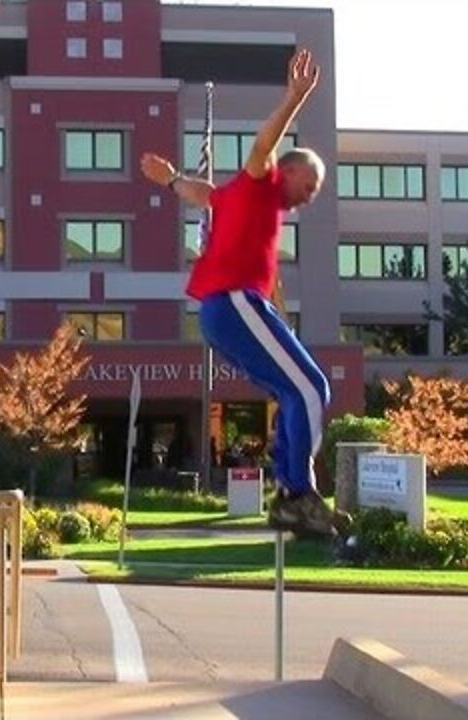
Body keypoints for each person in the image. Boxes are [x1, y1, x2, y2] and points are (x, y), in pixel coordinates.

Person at [140, 48, 348, 538]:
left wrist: (170, 180)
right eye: (311, 183)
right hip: (234, 301)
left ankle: (291, 493)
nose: (311, 194)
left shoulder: (234, 197)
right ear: (289, 171)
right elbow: (262, 145)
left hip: (223, 312)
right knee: (312, 387)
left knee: (289, 393)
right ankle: (297, 496)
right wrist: (294, 99)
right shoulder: (260, 182)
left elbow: (201, 193)